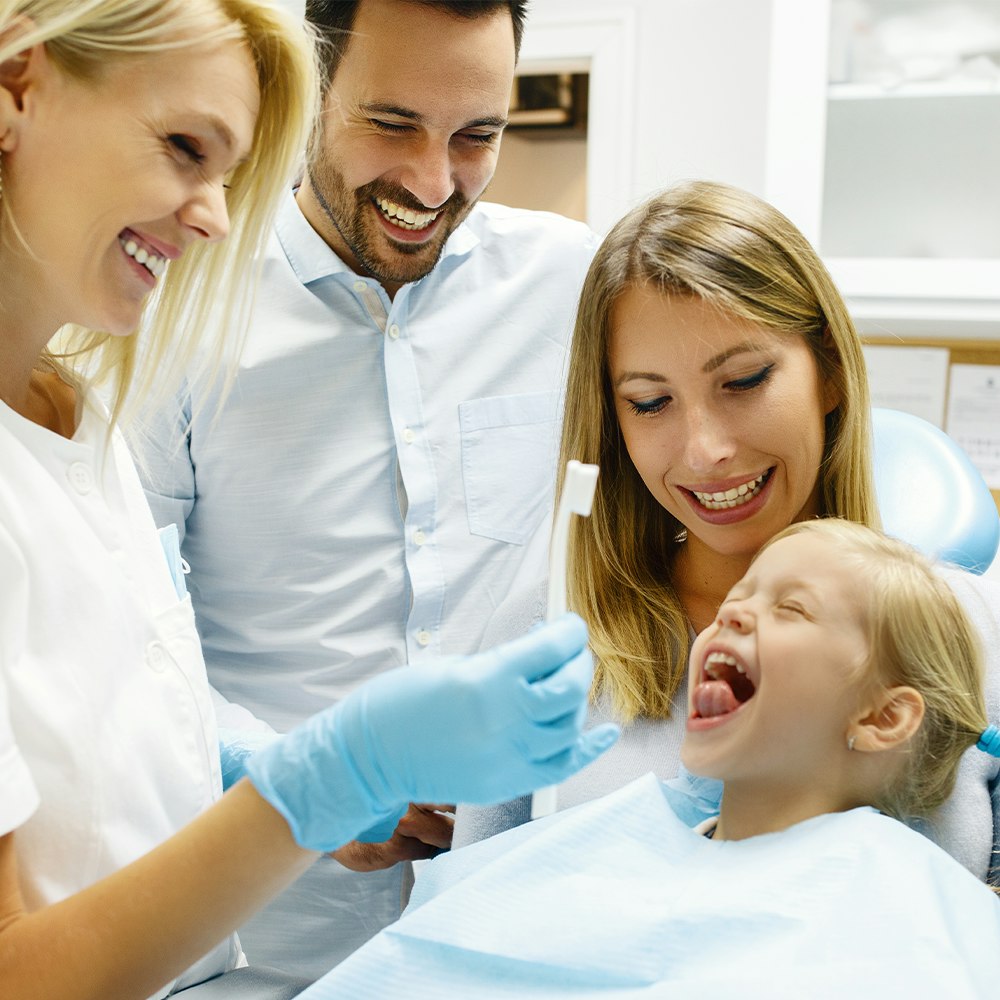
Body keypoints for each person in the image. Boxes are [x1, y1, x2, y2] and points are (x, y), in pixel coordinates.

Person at [0, 3, 616, 998]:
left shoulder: (80, 419)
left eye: (476, 136)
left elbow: (138, 677)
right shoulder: (176, 325)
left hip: (483, 926)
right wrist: (322, 776)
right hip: (265, 943)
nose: (430, 179)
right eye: (183, 147)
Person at [454, 180, 1000, 891]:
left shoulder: (974, 631)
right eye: (650, 402)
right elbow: (464, 928)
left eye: (742, 381)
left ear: (828, 369)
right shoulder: (544, 645)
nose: (705, 449)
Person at [304, 521, 1000, 999]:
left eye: (790, 607)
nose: (732, 614)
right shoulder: (620, 839)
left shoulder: (897, 904)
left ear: (884, 716)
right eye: (738, 596)